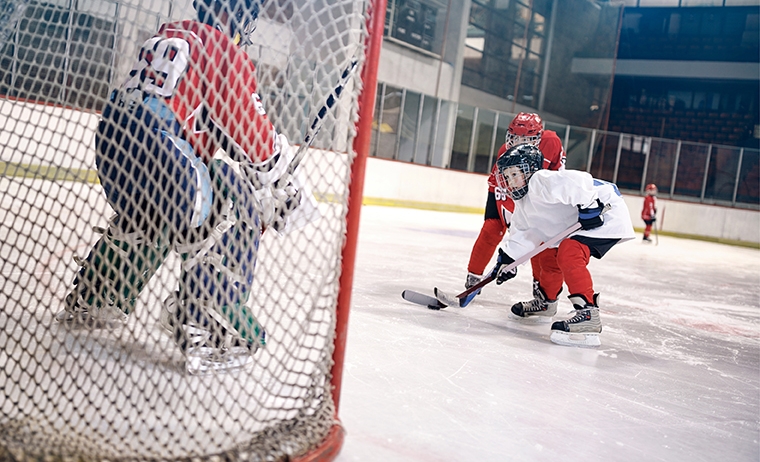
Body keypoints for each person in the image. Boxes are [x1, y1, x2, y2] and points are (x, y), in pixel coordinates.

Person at [55, 0, 316, 373]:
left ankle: (96, 297)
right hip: (162, 150)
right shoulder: (222, 49)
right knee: (229, 199)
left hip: (114, 145)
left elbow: (208, 127)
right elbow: (248, 129)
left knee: (154, 214)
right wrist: (278, 181)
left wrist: (262, 177)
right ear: (237, 14)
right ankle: (207, 325)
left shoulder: (174, 33)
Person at [489, 144, 635, 347]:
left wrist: (589, 206)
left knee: (569, 251)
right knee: (546, 253)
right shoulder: (523, 204)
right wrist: (507, 261)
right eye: (507, 177)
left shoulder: (541, 180)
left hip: (606, 212)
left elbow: (579, 181)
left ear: (530, 169)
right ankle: (546, 302)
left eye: (515, 174)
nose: (511, 181)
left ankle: (588, 315)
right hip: (579, 219)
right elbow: (525, 236)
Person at [465, 112, 566, 306]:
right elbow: (500, 185)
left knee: (540, 242)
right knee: (491, 229)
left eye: (525, 138)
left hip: (542, 195)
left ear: (536, 138)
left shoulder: (551, 142)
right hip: (511, 192)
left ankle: (543, 292)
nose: (518, 143)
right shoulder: (505, 150)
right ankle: (473, 277)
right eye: (514, 137)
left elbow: (550, 183)